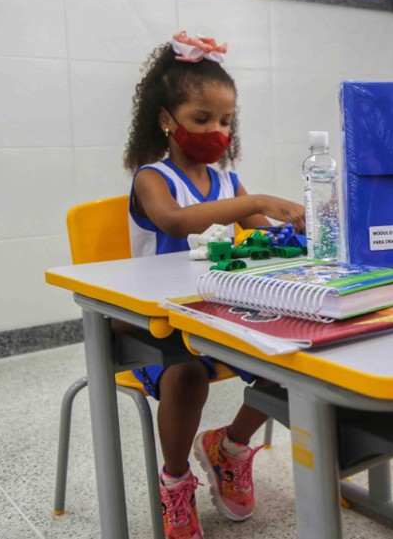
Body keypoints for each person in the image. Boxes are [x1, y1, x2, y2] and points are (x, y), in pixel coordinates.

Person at [123, 31, 305, 538]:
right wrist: (254, 203)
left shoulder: (228, 181)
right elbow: (177, 222)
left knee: (297, 360)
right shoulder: (151, 178)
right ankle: (175, 484)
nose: (217, 131)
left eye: (225, 121)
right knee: (188, 376)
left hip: (221, 314)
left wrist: (306, 226)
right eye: (201, 119)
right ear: (166, 119)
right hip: (156, 327)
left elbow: (267, 236)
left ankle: (228, 447)